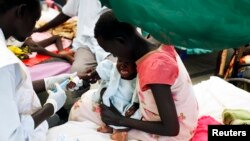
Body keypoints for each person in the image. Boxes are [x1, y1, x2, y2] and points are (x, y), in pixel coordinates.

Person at [93, 10, 199, 140]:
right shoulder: (155, 39)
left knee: (106, 127)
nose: (115, 56)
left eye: (112, 51)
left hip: (177, 132)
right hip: (176, 118)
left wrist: (120, 120)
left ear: (121, 41)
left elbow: (172, 129)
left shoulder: (155, 67)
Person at [0, 0, 76, 140]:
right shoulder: (4, 65)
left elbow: (9, 89)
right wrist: (50, 108)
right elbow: (12, 137)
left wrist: (49, 82)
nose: (34, 27)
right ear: (21, 12)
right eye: (34, 20)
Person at [34, 0, 115, 74]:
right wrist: (39, 29)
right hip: (85, 45)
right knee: (77, 72)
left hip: (112, 46)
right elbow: (66, 13)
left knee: (114, 70)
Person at [69, 58, 141, 141]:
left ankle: (120, 133)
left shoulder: (137, 80)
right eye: (120, 61)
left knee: (128, 117)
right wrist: (83, 77)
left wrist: (135, 105)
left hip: (124, 106)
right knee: (105, 113)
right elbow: (100, 72)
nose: (123, 65)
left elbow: (137, 95)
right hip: (109, 100)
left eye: (128, 62)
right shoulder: (114, 70)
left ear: (136, 65)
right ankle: (110, 127)